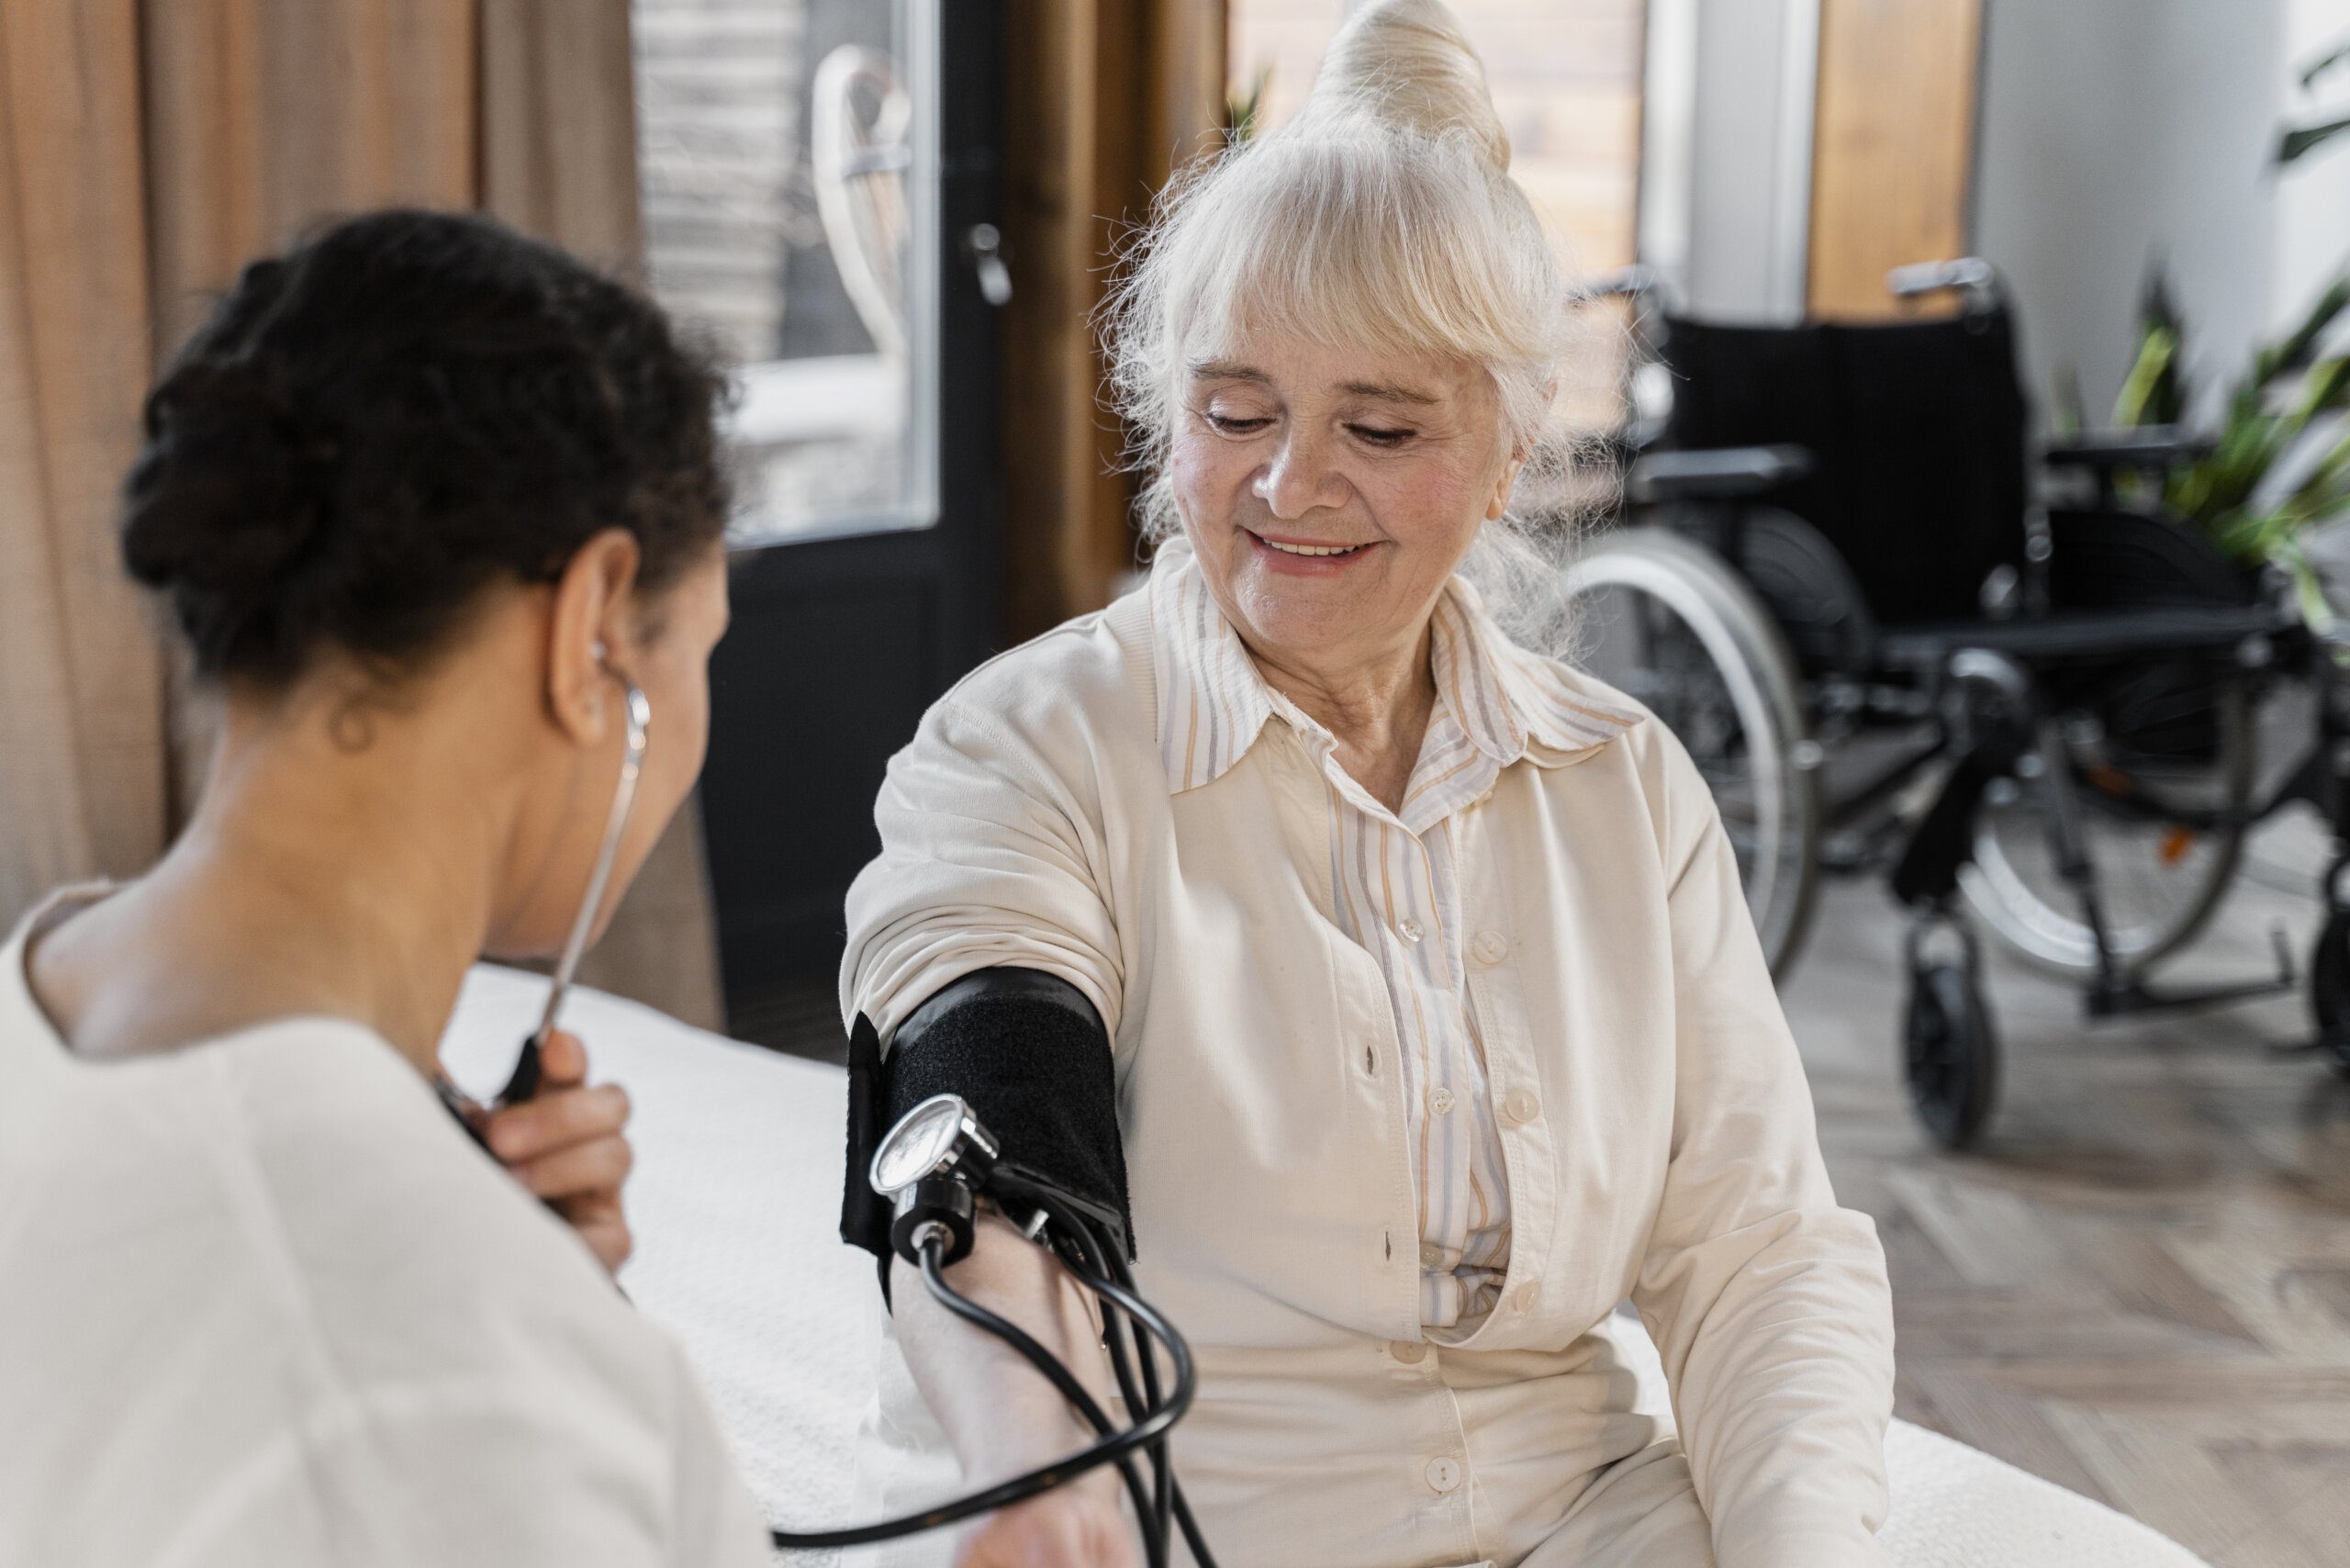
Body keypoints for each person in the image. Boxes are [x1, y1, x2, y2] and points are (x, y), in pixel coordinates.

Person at [838, 4, 1897, 1565]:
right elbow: (984, 1128)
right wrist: (1043, 1473)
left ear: (1507, 443)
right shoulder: (1027, 749)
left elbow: (1756, 1254)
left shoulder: (1626, 790)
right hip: (1170, 1520)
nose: (1287, 486)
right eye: (1234, 411)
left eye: (1380, 425)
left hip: (1582, 1520)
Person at [0, 210, 770, 1566]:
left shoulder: (41, 1010)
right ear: (591, 627)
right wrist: (496, 1327)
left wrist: (470, 1246)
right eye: (699, 645)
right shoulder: (447, 1390)